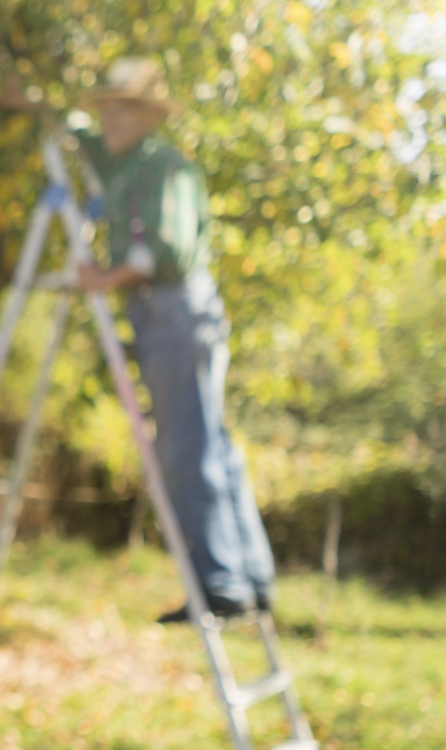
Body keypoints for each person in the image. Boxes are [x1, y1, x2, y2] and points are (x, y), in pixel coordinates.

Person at [70, 57, 277, 622]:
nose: (109, 118)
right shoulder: (125, 161)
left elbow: (164, 248)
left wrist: (102, 279)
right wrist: (39, 109)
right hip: (176, 311)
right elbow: (80, 137)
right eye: (105, 107)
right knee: (212, 441)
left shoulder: (162, 166)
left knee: (188, 446)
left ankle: (222, 585)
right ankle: (248, 576)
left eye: (121, 107)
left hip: (174, 309)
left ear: (147, 114)